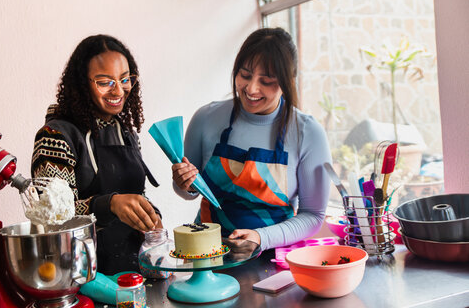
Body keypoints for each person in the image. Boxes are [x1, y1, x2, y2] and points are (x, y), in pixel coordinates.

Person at [172, 27, 331, 251]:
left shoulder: (308, 132)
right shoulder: (205, 118)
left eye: (266, 81)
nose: (251, 88)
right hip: (206, 254)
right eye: (245, 75)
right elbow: (188, 191)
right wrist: (183, 184)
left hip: (273, 258)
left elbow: (313, 216)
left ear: (288, 81)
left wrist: (260, 238)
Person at [31, 34, 162, 274]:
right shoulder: (55, 135)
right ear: (82, 83)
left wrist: (150, 218)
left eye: (125, 79)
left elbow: (135, 196)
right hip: (81, 276)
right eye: (105, 82)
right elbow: (51, 220)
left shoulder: (126, 132)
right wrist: (109, 205)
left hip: (133, 272)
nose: (118, 90)